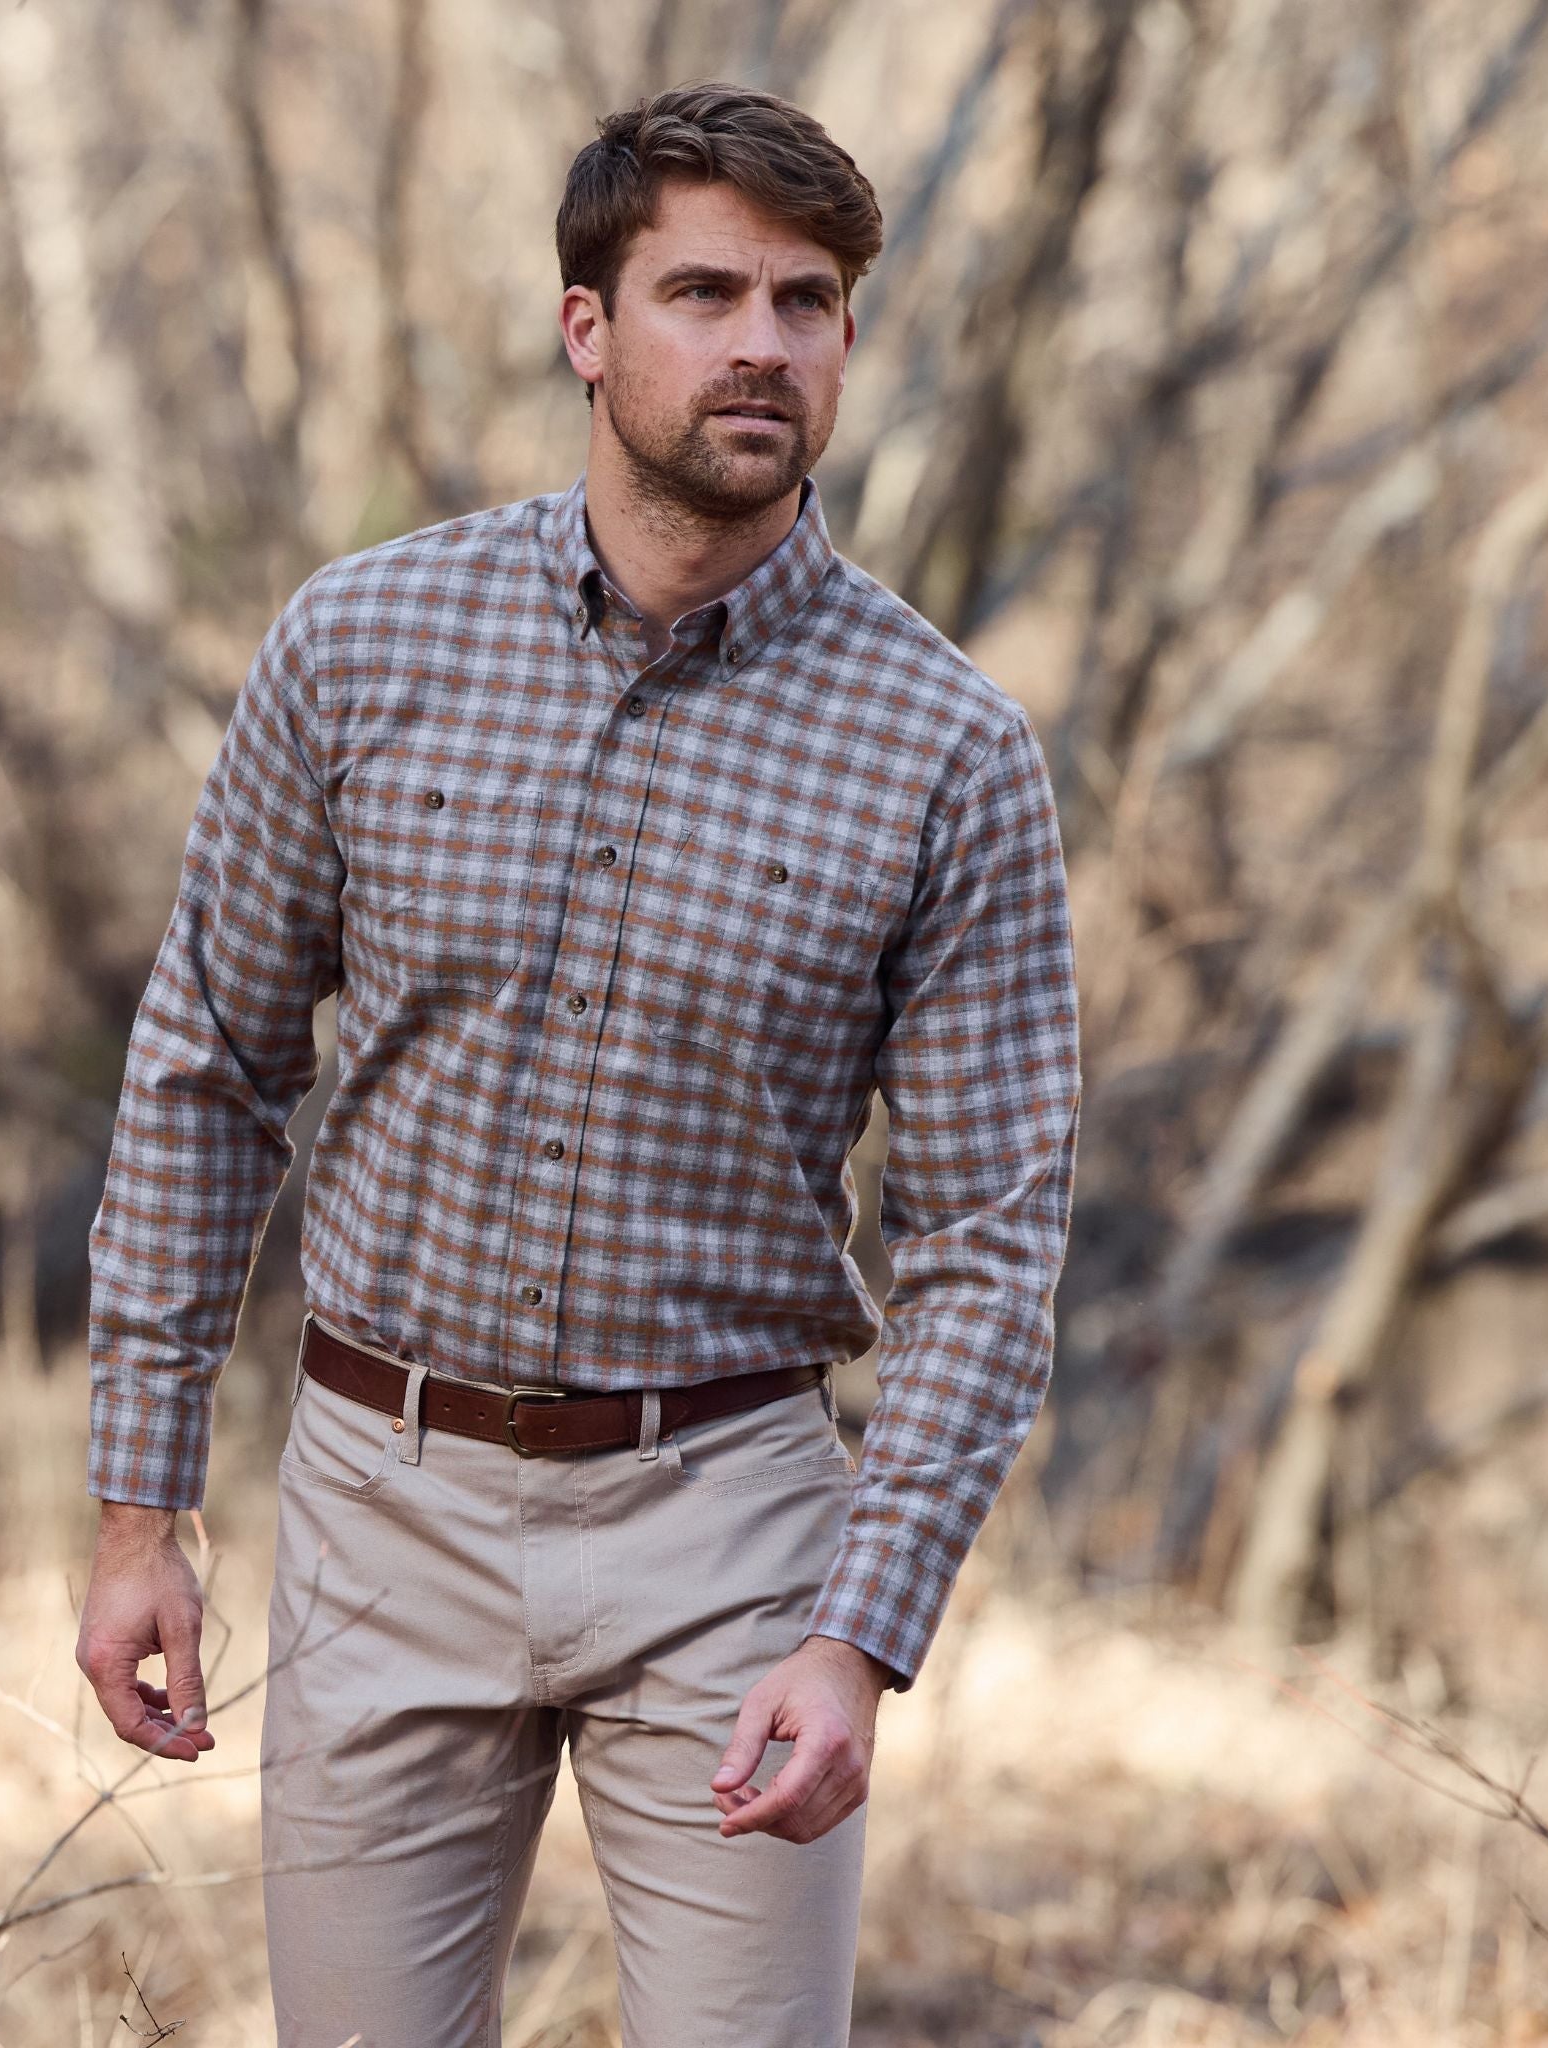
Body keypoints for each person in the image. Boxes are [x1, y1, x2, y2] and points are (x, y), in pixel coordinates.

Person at [74, 79, 1079, 2048]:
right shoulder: (360, 648)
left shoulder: (946, 750)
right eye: (702, 292)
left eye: (807, 304)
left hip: (733, 1521)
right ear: (586, 329)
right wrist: (141, 1506)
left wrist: (859, 1632)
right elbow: (209, 1062)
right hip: (383, 1494)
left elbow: (986, 1250)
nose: (762, 346)